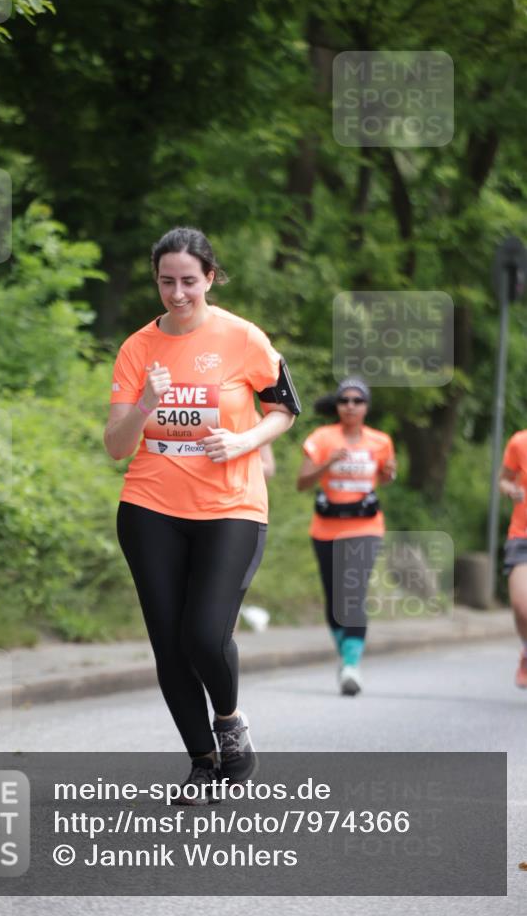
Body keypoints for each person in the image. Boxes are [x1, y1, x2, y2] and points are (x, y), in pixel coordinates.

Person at [104, 227, 299, 800]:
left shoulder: (243, 338)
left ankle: (231, 722)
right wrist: (146, 404)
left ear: (210, 278)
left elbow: (284, 409)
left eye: (189, 280)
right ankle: (204, 762)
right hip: (150, 507)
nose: (178, 293)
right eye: (167, 281)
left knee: (204, 634)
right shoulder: (138, 348)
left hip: (230, 506)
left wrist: (243, 442)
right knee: (169, 643)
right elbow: (117, 446)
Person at [296, 377, 396, 696]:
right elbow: (301, 482)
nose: (351, 406)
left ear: (367, 407)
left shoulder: (380, 441)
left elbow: (383, 476)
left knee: (353, 591)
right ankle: (346, 653)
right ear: (337, 406)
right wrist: (328, 462)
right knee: (334, 598)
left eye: (357, 401)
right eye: (345, 401)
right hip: (326, 528)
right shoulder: (322, 438)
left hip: (365, 527)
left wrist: (389, 474)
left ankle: (352, 665)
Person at [499, 428, 527, 689]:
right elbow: (504, 479)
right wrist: (511, 490)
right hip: (522, 536)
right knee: (521, 606)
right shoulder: (519, 441)